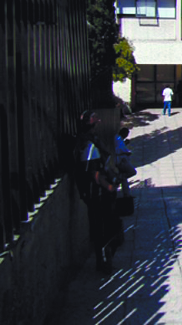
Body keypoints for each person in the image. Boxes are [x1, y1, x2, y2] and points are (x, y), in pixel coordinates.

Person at [74, 110, 121, 274]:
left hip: (96, 194)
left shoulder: (88, 142)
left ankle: (103, 261)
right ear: (91, 126)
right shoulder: (88, 145)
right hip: (97, 194)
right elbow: (94, 174)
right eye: (95, 125)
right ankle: (103, 263)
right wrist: (109, 187)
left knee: (103, 228)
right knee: (103, 229)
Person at [114, 127, 136, 197]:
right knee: (132, 172)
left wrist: (125, 143)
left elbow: (120, 148)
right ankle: (118, 178)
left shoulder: (119, 139)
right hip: (121, 160)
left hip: (122, 159)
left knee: (124, 179)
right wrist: (126, 153)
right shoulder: (118, 139)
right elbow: (117, 151)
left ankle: (126, 194)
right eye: (126, 134)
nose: (126, 136)